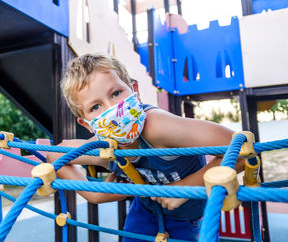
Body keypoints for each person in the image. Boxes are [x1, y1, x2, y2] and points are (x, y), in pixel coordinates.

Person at [47, 53, 245, 241]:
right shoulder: (105, 147)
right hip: (145, 211)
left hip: (190, 217)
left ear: (136, 91)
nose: (112, 110)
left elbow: (242, 149)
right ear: (87, 125)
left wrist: (185, 187)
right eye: (96, 107)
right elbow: (55, 156)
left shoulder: (157, 127)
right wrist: (96, 194)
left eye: (116, 93)